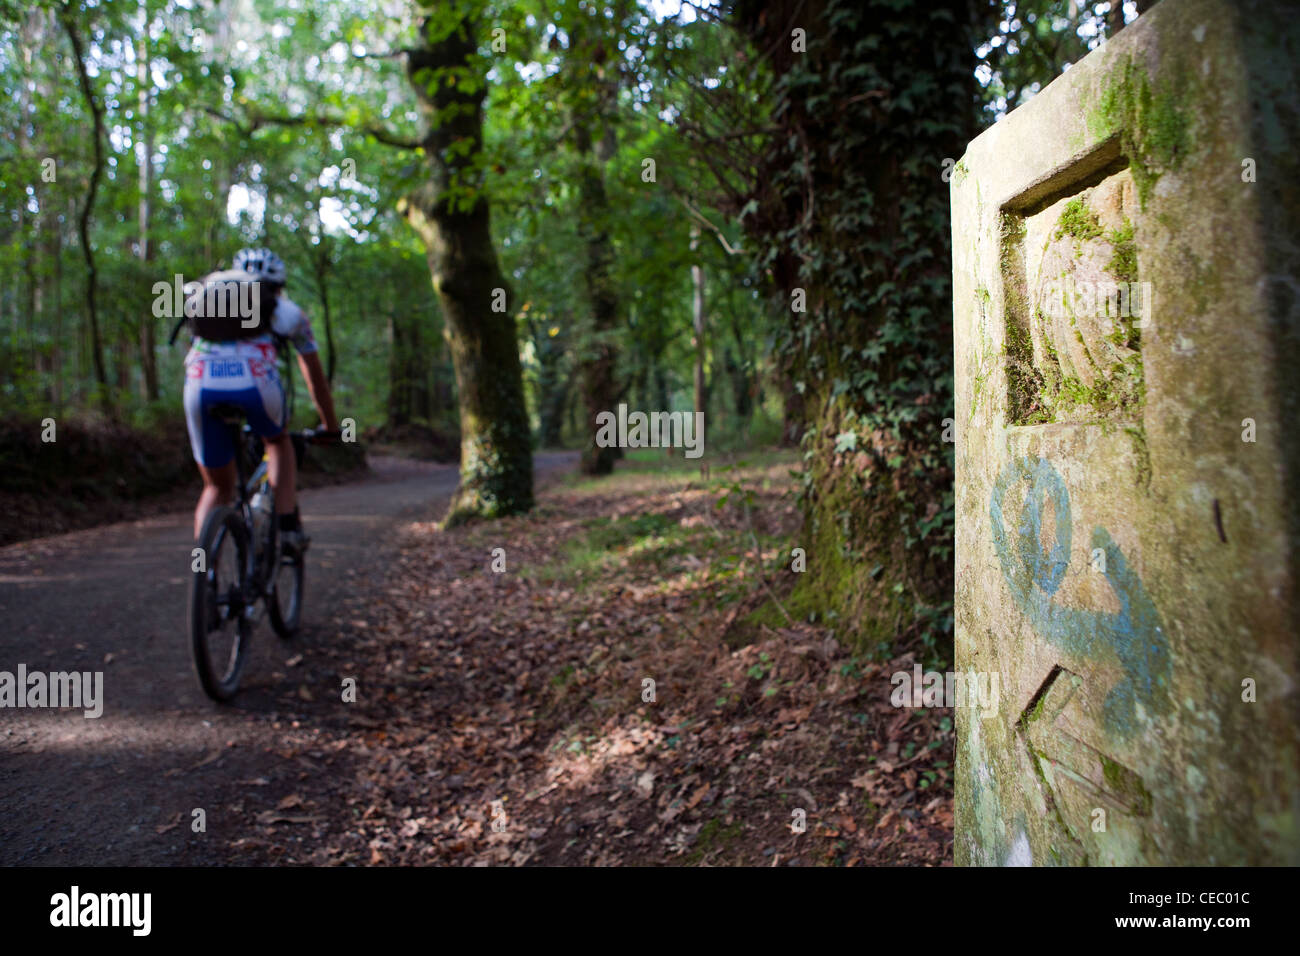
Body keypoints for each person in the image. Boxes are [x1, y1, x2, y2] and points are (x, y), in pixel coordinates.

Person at [182, 247, 340, 552]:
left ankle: (204, 574)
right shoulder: (288, 312)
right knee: (278, 442)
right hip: (255, 383)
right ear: (278, 285)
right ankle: (288, 529)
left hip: (200, 383)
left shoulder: (211, 301)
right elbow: (315, 378)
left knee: (216, 487)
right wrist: (330, 425)